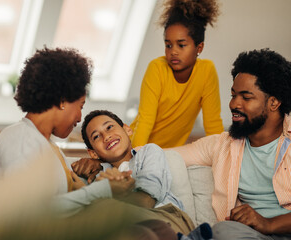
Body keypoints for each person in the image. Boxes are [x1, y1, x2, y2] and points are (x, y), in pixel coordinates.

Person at [0, 47, 135, 216]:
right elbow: (31, 211)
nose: (79, 118)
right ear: (63, 100)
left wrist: (101, 176)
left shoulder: (46, 145)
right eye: (80, 106)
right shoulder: (20, 139)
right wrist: (103, 190)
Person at [172, 49, 291, 239]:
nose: (234, 104)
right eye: (233, 95)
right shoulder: (222, 145)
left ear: (274, 102)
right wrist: (116, 154)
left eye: (246, 97)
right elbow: (167, 156)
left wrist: (268, 223)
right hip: (250, 235)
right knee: (223, 230)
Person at [81, 110, 213, 240]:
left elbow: (147, 199)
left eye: (109, 127)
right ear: (93, 153)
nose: (106, 136)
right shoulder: (99, 175)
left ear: (127, 129)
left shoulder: (149, 152)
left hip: (166, 216)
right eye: (96, 136)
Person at [129, 0, 224, 148]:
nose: (173, 51)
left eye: (181, 45)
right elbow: (145, 120)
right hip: (134, 145)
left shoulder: (206, 71)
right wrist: (134, 157)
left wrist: (222, 159)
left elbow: (213, 124)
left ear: (199, 48)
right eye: (168, 45)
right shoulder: (157, 68)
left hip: (167, 154)